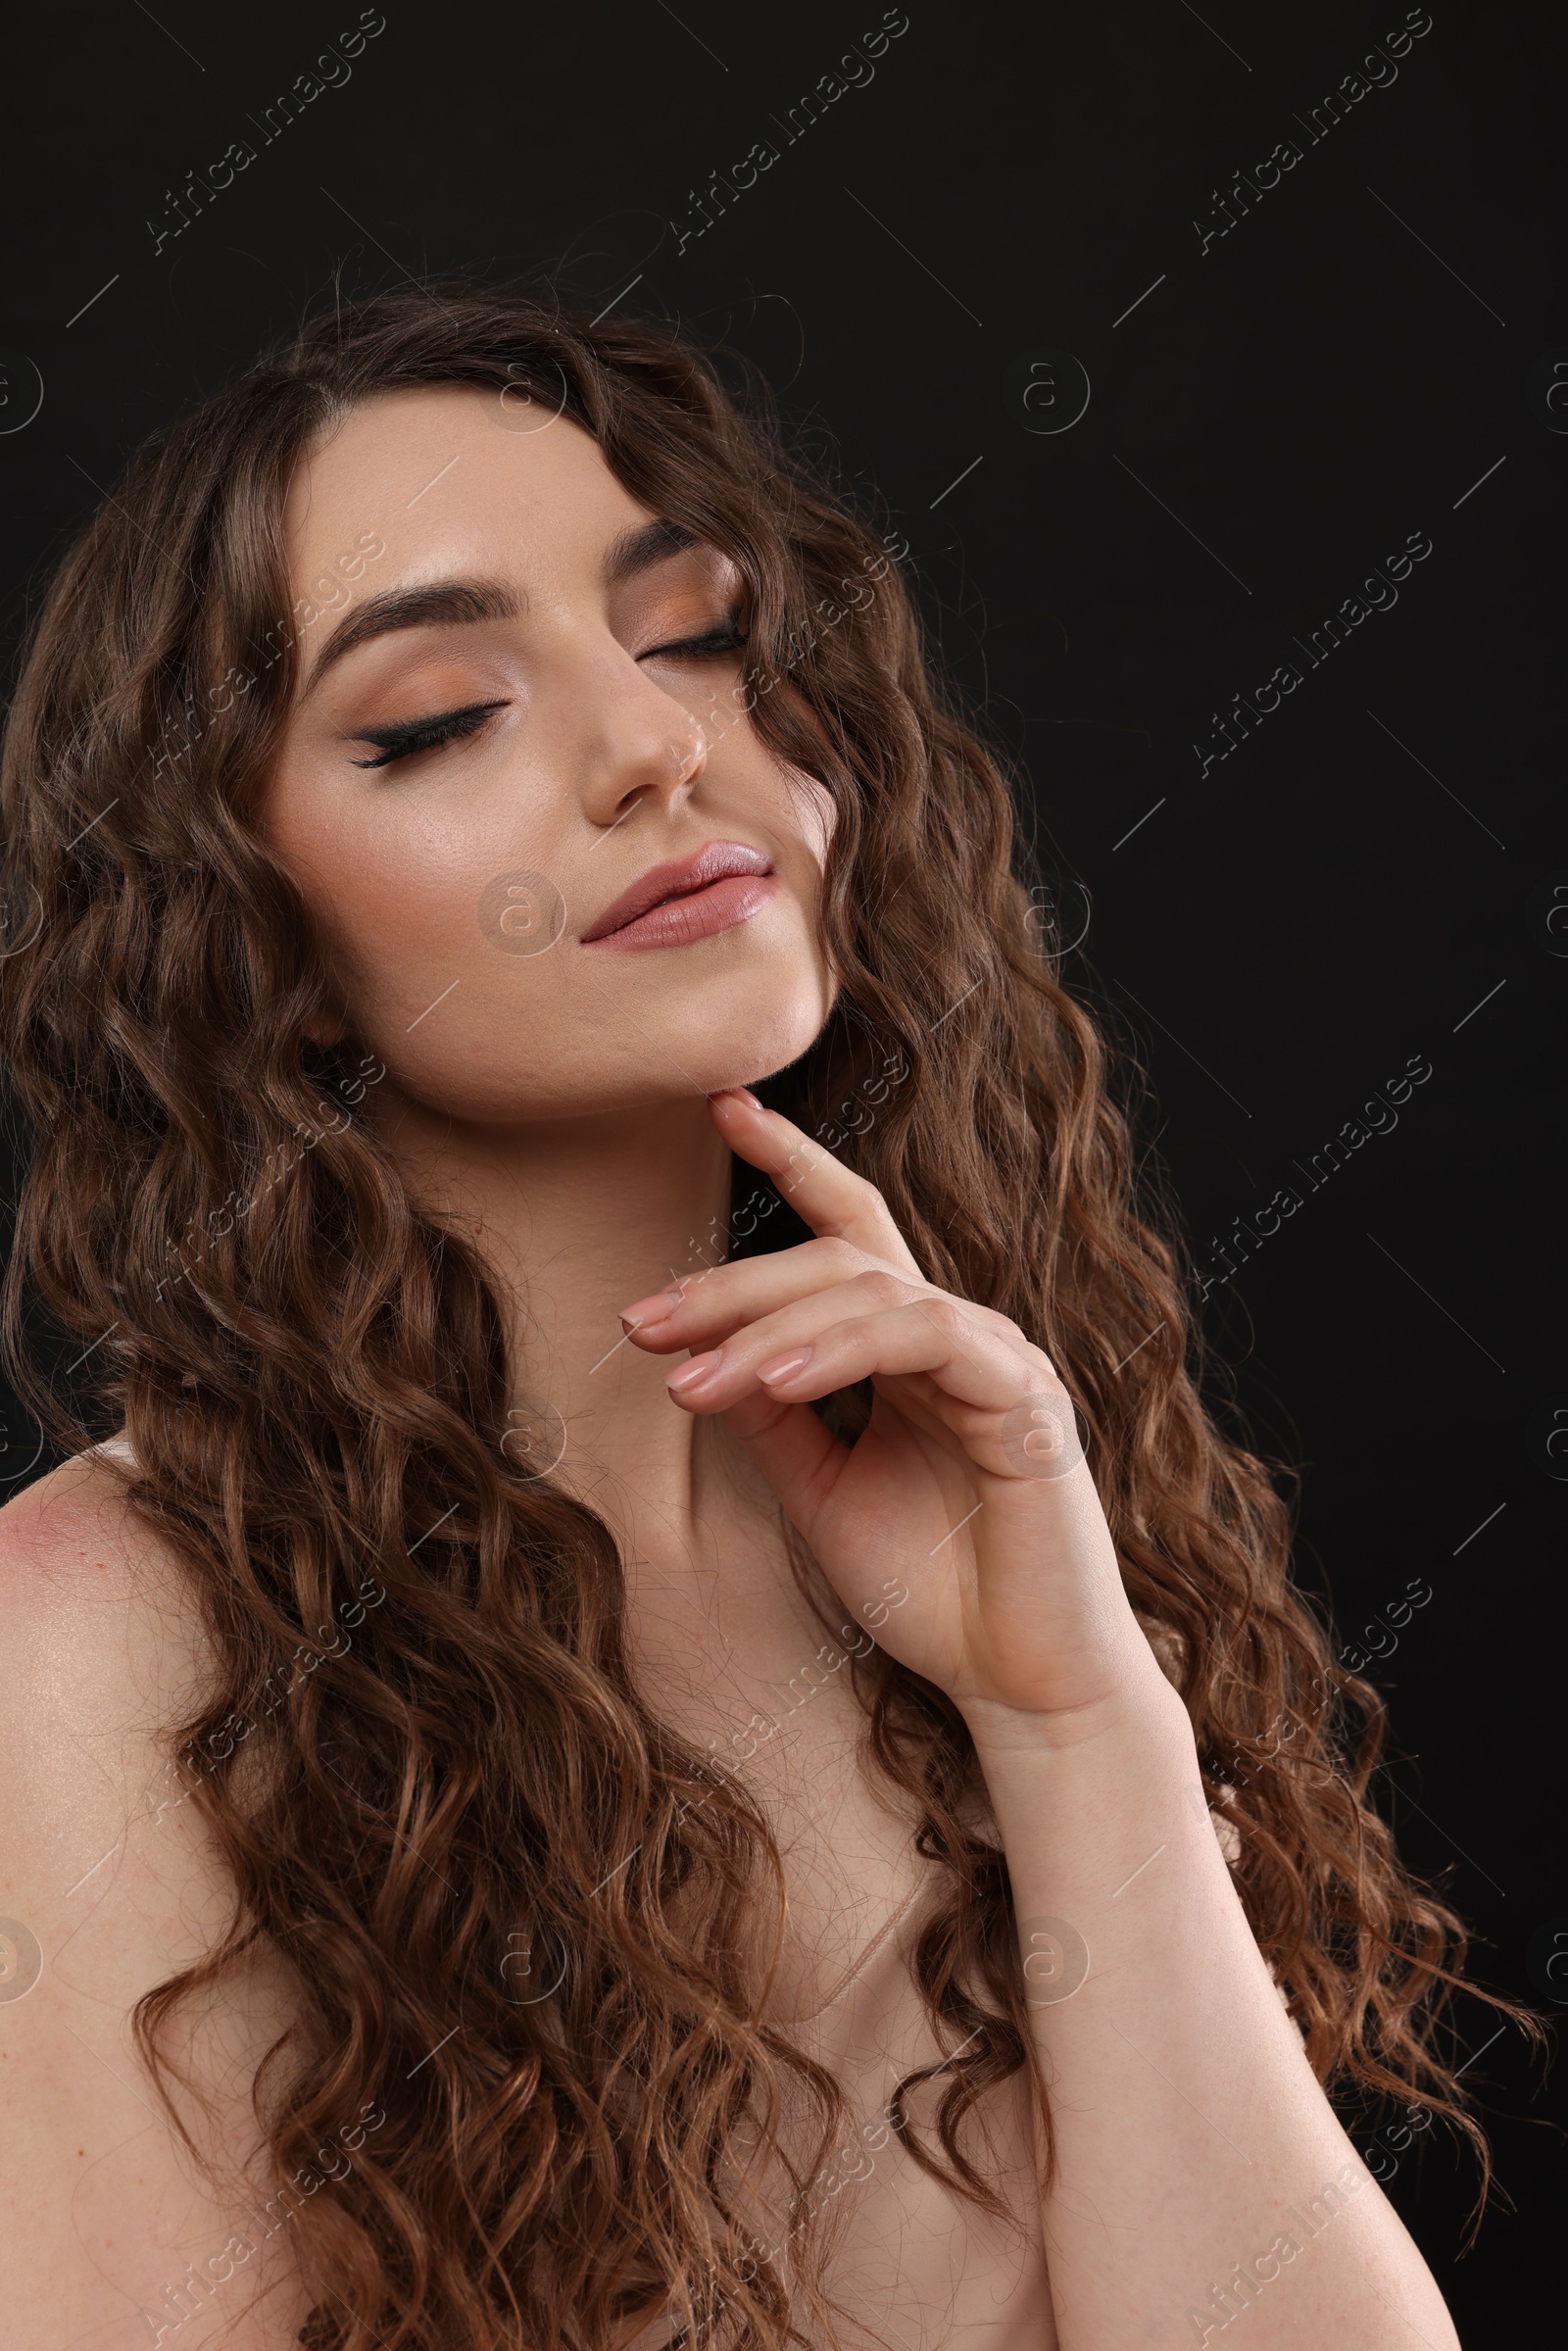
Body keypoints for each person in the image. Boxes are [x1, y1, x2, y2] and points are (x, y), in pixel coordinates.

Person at [0, 283, 1487, 2349]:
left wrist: (1074, 1725)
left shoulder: (993, 1511)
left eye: (694, 632)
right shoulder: (95, 1645)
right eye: (434, 718)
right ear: (240, 926)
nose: (652, 745)